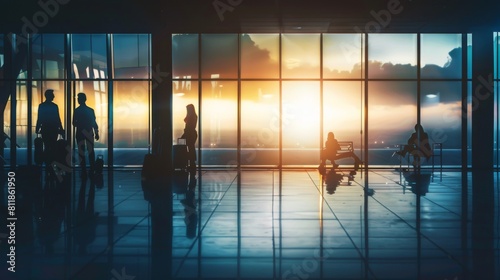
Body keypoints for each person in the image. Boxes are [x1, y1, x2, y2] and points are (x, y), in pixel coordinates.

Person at [73, 92, 99, 177]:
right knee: (90, 150)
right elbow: (93, 122)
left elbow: (74, 123)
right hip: (89, 132)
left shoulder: (77, 110)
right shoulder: (90, 110)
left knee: (81, 151)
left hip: (80, 132)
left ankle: (83, 169)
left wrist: (80, 124)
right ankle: (92, 168)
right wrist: (96, 132)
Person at [36, 89, 64, 167]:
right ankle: (51, 162)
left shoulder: (42, 106)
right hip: (53, 129)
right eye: (52, 95)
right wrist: (61, 129)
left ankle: (47, 162)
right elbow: (57, 118)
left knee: (47, 145)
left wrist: (37, 127)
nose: (54, 96)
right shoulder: (54, 106)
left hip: (45, 129)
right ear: (50, 96)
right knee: (53, 146)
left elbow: (40, 118)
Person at [181, 104, 198, 170]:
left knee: (190, 148)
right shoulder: (193, 116)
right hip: (190, 134)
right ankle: (191, 163)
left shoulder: (192, 117)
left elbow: (189, 125)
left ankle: (189, 163)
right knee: (191, 148)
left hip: (189, 134)